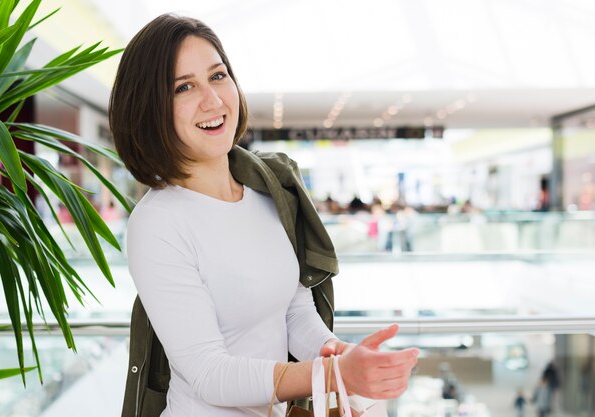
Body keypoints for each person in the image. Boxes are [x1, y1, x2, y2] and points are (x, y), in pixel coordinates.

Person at [109, 14, 419, 417]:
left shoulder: (266, 192)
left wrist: (340, 354)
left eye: (218, 76)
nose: (213, 100)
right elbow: (208, 373)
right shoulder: (158, 223)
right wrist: (329, 374)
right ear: (151, 109)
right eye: (184, 87)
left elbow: (294, 311)